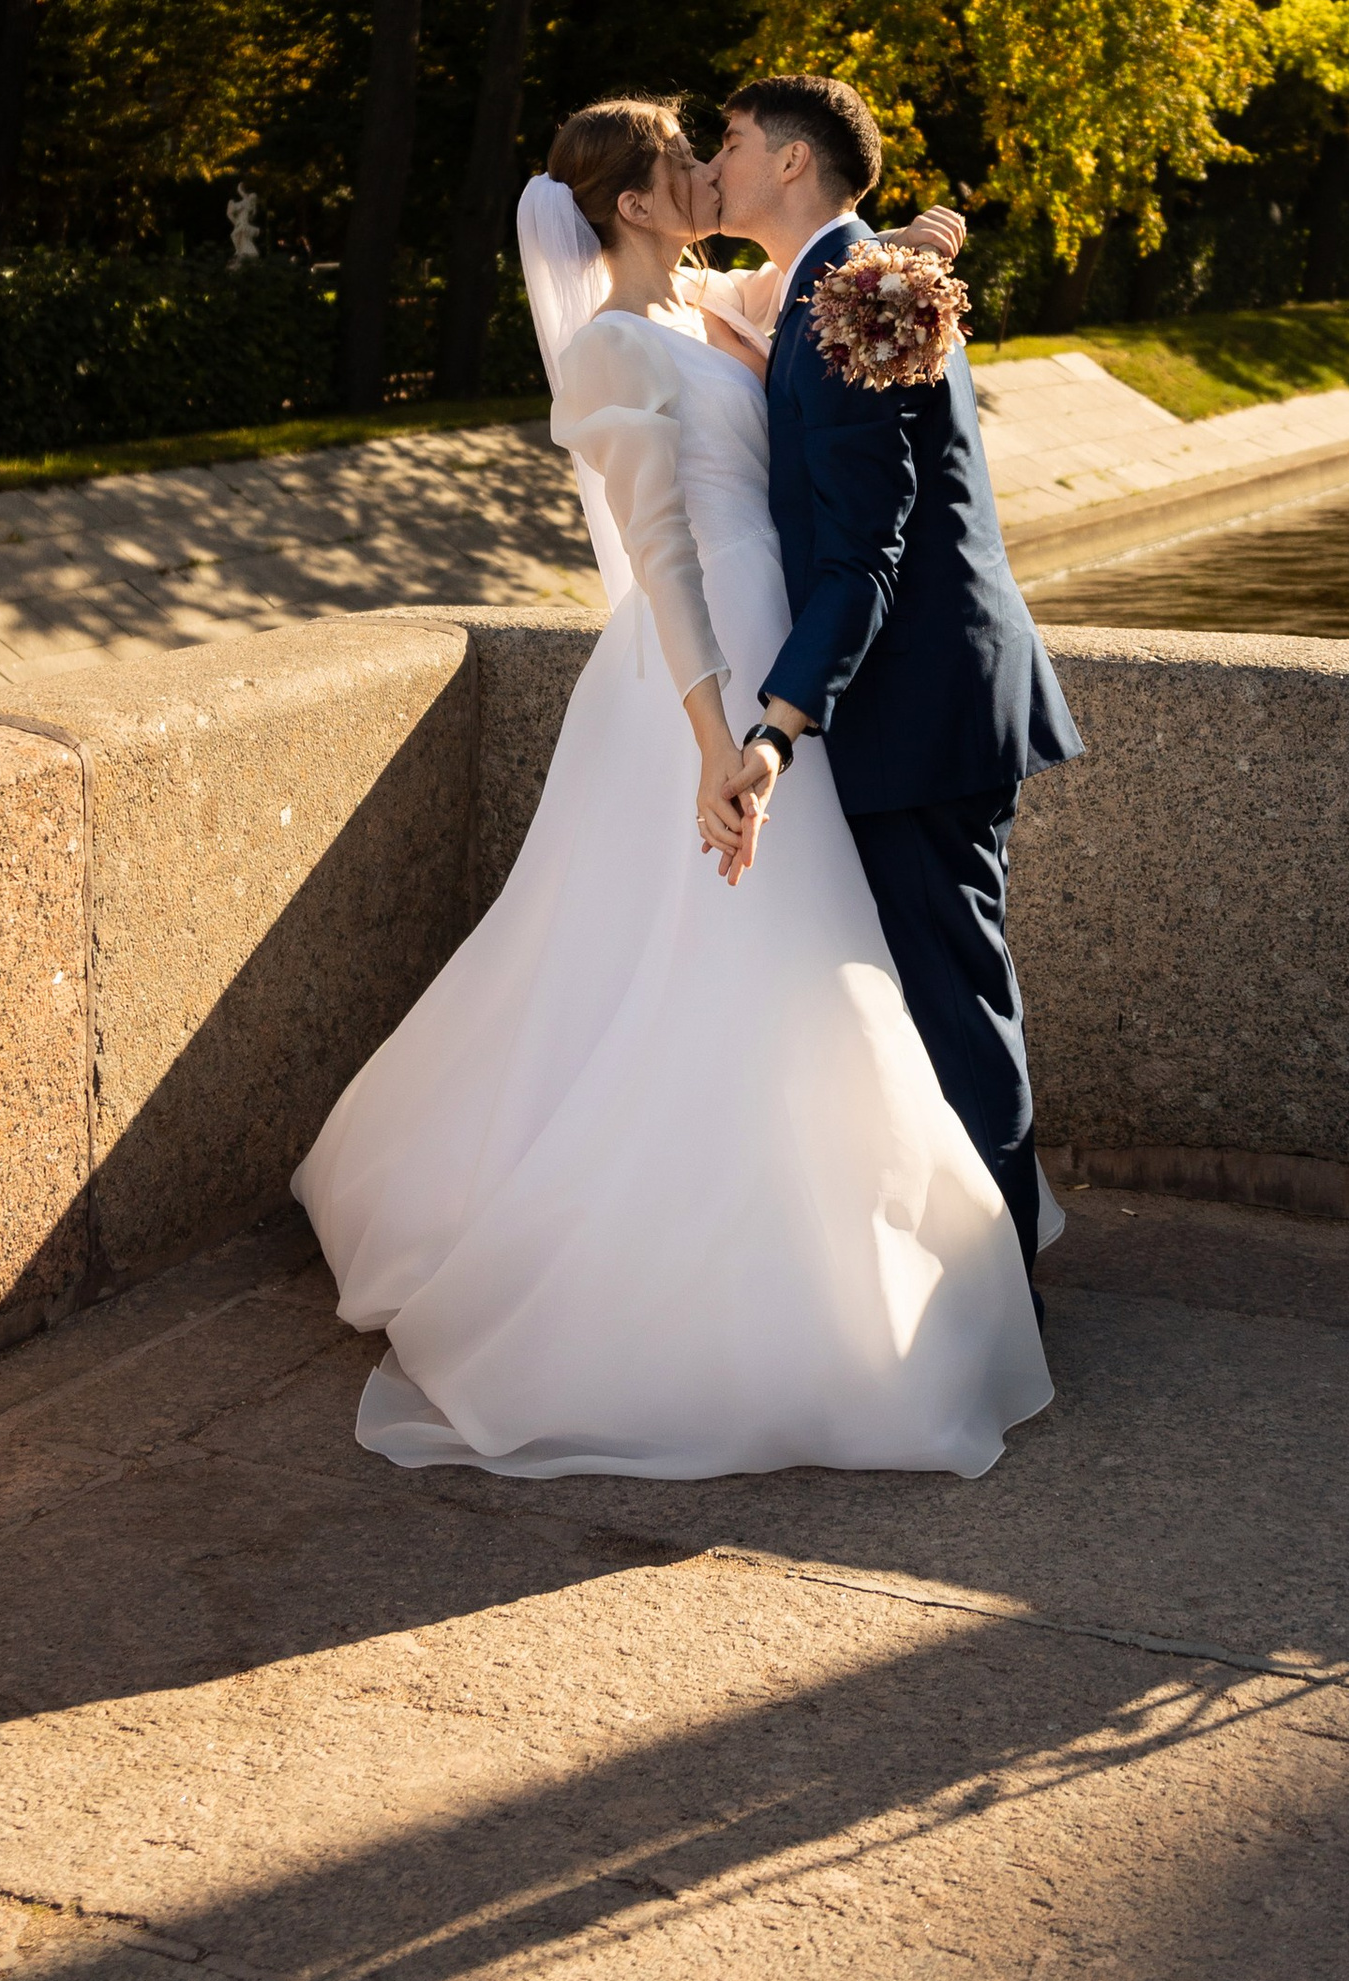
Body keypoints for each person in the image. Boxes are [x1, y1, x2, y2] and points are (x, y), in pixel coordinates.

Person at [292, 94, 1050, 1481]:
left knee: (827, 971)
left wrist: (913, 245)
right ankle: (757, 1276)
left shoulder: (717, 304)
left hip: (797, 668)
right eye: (685, 160)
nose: (708, 169)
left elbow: (822, 278)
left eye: (724, 150)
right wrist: (722, 737)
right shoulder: (610, 348)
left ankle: (908, 1249)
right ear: (634, 204)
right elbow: (660, 557)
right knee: (732, 968)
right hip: (722, 674)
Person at [704, 74, 1081, 1288]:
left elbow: (867, 552)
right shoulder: (846, 279)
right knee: (939, 997)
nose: (714, 162)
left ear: (792, 162)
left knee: (955, 1005)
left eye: (731, 141)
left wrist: (775, 729)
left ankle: (1002, 1302)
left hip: (921, 710)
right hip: (930, 695)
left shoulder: (855, 296)